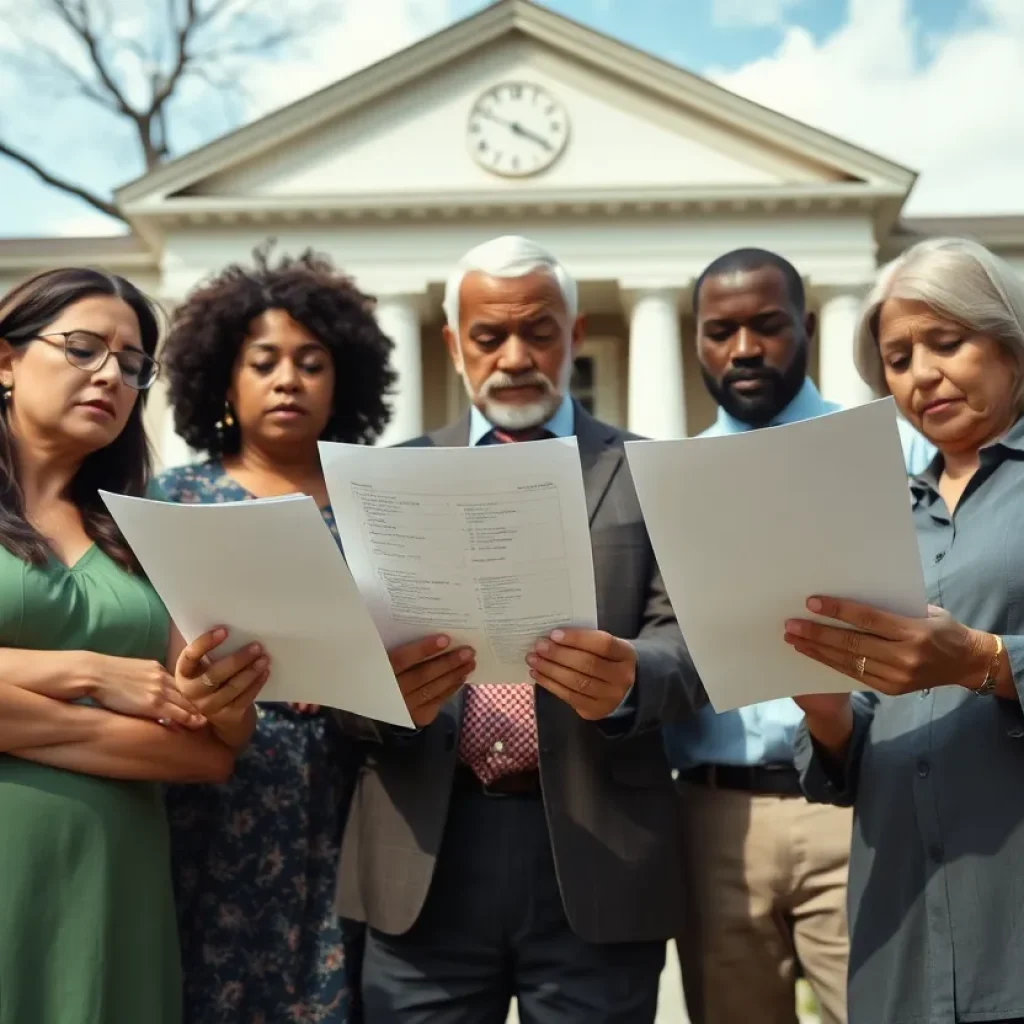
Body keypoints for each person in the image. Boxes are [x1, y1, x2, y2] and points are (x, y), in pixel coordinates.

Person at [335, 235, 705, 1024]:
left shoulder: (655, 471)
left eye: (538, 331)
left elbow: (694, 642)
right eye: (489, 336)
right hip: (424, 854)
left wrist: (634, 675)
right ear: (453, 345)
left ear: (574, 334)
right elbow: (343, 664)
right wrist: (379, 690)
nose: (514, 356)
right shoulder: (387, 479)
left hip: (597, 852)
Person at [0, 267, 268, 1024]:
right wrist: (94, 676)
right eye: (83, 348)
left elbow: (211, 749)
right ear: (6, 360)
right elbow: (153, 713)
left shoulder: (150, 533)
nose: (110, 376)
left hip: (115, 888)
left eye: (131, 364)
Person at [150, 246, 396, 1024]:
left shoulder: (378, 503)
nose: (289, 378)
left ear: (342, 381)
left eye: (312, 362)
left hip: (357, 800)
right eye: (265, 361)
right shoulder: (173, 500)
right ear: (225, 378)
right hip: (216, 800)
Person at [784, 237, 1024, 1024]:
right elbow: (869, 724)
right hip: (900, 919)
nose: (921, 375)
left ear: (1010, 342)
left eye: (946, 343)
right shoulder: (878, 513)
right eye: (897, 358)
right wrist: (823, 712)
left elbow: (967, 663)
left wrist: (987, 661)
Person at [664, 248, 852, 1024]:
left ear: (804, 327)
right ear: (698, 342)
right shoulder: (670, 478)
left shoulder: (882, 453)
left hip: (860, 804)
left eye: (767, 326)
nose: (743, 349)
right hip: (717, 819)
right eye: (720, 331)